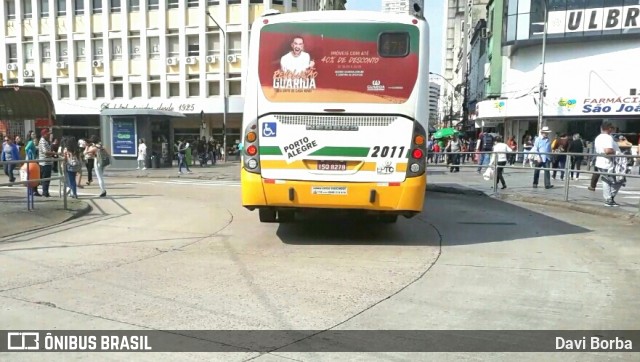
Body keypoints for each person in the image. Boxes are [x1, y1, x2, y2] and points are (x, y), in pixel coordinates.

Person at [594, 122, 622, 207]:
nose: (613, 130)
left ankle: (609, 199)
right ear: (609, 128)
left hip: (600, 161)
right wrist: (617, 152)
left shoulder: (598, 137)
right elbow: (608, 151)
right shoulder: (607, 138)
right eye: (612, 128)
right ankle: (609, 198)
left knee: (606, 181)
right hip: (608, 162)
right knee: (619, 180)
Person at [37, 129, 56, 197]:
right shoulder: (42, 141)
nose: (48, 135)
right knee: (45, 179)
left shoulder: (45, 141)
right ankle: (45, 193)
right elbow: (45, 152)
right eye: (47, 134)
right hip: (44, 163)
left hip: (47, 162)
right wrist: (54, 153)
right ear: (43, 134)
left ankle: (45, 192)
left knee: (46, 179)